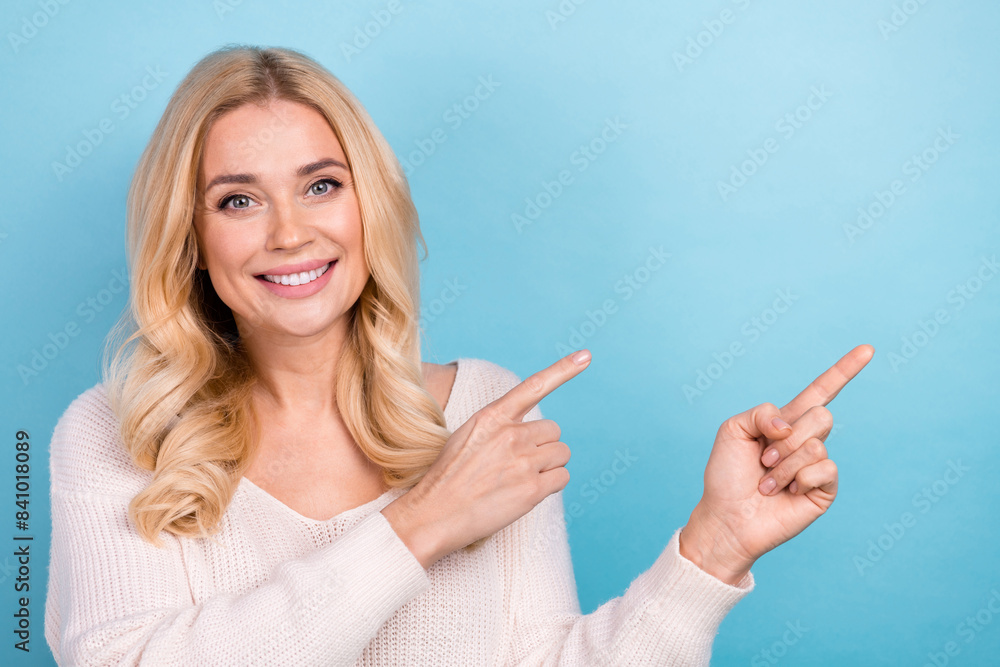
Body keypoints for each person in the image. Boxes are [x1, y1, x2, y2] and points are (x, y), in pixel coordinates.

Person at [43, 43, 874, 666]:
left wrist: (715, 546)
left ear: (371, 202)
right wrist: (419, 523)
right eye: (238, 199)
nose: (290, 231)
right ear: (188, 236)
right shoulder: (119, 433)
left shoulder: (483, 408)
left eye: (322, 184)